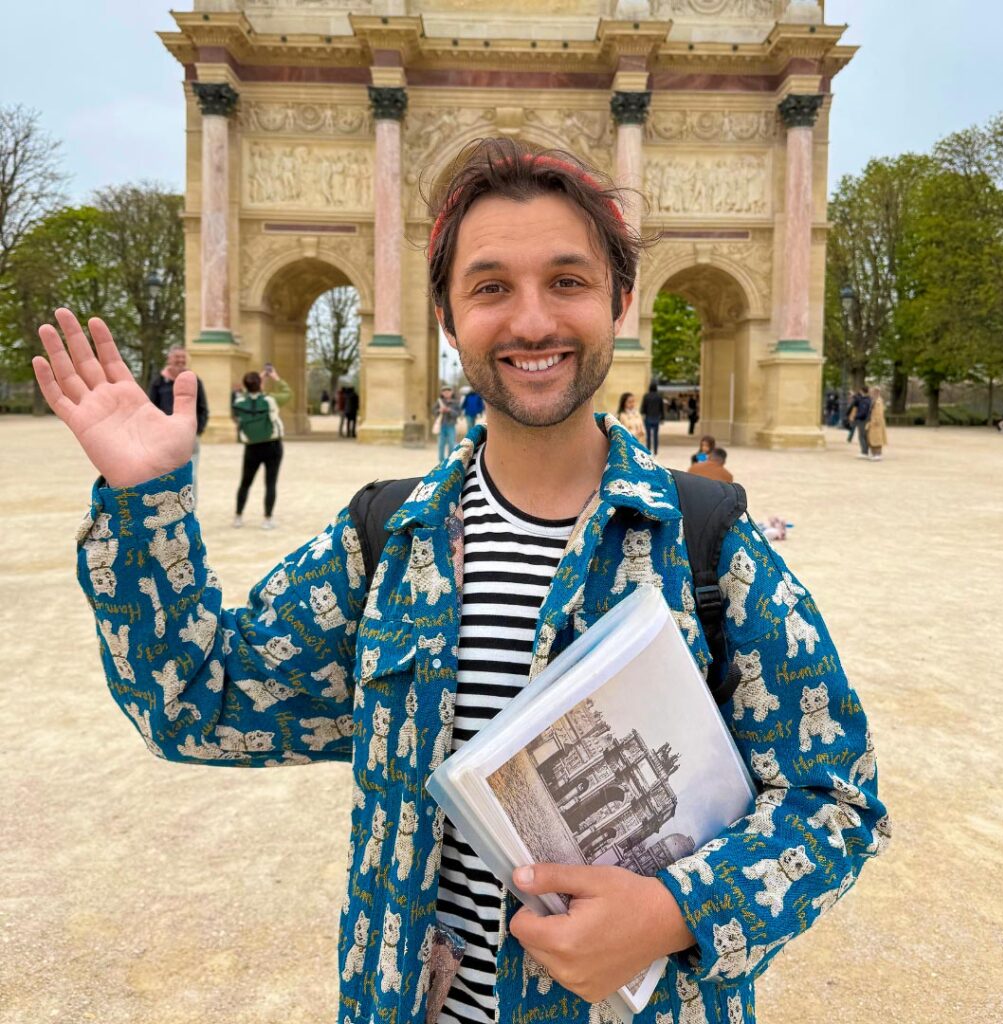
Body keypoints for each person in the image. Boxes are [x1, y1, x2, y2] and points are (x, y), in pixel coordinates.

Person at [32, 138, 887, 1024]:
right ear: (445, 317)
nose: (531, 321)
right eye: (490, 287)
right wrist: (146, 507)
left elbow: (837, 802)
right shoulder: (379, 542)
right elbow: (196, 706)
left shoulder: (710, 542)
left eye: (567, 280)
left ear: (621, 301)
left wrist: (677, 910)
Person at [231, 367, 291, 529]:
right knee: (270, 483)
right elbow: (287, 393)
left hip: (252, 447)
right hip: (272, 445)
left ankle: (238, 516)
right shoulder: (270, 400)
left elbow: (246, 396)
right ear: (260, 384)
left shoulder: (239, 402)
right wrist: (275, 377)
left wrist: (257, 380)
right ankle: (267, 519)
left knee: (245, 482)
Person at [149, 346, 208, 502]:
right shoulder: (158, 382)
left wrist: (198, 430)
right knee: (164, 475)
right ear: (169, 359)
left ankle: (191, 508)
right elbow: (151, 408)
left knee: (191, 475)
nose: (181, 360)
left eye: (183, 357)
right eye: (177, 357)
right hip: (164, 437)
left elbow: (202, 408)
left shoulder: (195, 381)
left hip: (190, 437)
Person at [434, 383, 460, 461]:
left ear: (452, 392)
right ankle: (441, 461)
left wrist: (449, 410)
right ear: (442, 393)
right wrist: (439, 410)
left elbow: (458, 413)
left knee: (451, 444)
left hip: (451, 425)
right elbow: (433, 411)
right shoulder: (439, 402)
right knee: (441, 444)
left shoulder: (455, 402)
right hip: (441, 425)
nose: (446, 393)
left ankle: (449, 461)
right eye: (444, 391)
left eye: (448, 391)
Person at [639, 380, 664, 454]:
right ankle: (655, 450)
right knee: (656, 435)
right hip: (656, 417)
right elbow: (661, 408)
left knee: (648, 435)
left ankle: (648, 449)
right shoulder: (659, 396)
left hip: (648, 417)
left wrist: (643, 413)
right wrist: (662, 417)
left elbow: (643, 407)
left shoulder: (646, 396)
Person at [867, 386, 888, 460]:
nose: (871, 394)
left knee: (877, 439)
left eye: (873, 392)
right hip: (872, 422)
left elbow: (879, 412)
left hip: (876, 423)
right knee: (872, 438)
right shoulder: (874, 400)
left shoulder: (878, 401)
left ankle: (878, 454)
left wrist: (876, 421)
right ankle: (874, 453)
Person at [851, 385, 873, 458]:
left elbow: (863, 412)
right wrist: (854, 395)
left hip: (863, 420)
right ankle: (865, 451)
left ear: (861, 391)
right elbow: (858, 399)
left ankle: (864, 452)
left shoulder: (865, 401)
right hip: (865, 419)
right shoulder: (867, 399)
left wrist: (855, 416)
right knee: (864, 436)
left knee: (862, 436)